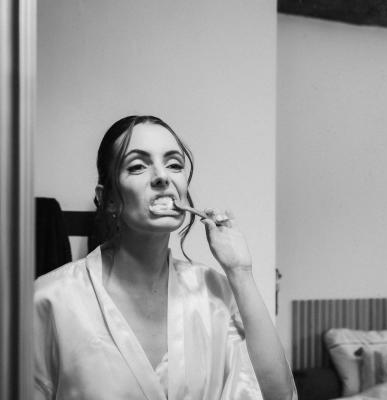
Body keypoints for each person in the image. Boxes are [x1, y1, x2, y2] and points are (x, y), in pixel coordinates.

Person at [33, 115, 296, 400]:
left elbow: (277, 395)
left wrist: (240, 271)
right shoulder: (50, 299)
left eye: (174, 164)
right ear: (108, 199)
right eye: (137, 166)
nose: (163, 177)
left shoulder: (214, 293)